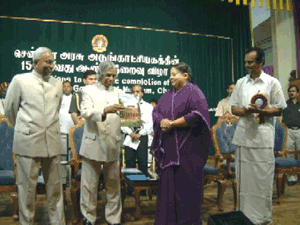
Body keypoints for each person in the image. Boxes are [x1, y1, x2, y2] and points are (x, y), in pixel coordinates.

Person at [4, 47, 65, 225]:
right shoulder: (20, 81)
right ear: (35, 62)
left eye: (52, 62)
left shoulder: (58, 83)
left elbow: (57, 108)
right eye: (47, 62)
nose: (51, 65)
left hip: (52, 143)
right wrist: (26, 128)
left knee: (55, 190)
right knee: (27, 190)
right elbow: (10, 110)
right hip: (28, 143)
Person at [229, 47, 286, 225]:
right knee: (244, 181)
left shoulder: (272, 83)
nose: (247, 65)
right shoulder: (240, 83)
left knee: (262, 180)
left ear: (260, 62)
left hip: (263, 139)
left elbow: (279, 108)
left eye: (250, 62)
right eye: (245, 62)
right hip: (244, 138)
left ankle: (262, 218)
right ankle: (243, 216)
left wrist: (262, 110)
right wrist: (245, 111)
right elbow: (233, 108)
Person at [151, 62, 211, 225]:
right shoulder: (167, 94)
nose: (170, 77)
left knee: (187, 191)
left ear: (185, 75)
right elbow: (155, 112)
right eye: (170, 74)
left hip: (189, 151)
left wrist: (173, 124)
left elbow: (198, 115)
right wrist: (162, 121)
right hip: (169, 153)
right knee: (168, 190)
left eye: (174, 74)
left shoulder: (194, 92)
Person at [80, 61, 124, 225]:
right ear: (100, 74)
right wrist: (104, 111)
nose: (111, 78)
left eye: (113, 76)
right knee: (89, 186)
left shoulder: (119, 92)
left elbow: (124, 116)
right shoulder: (87, 90)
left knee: (113, 185)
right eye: (108, 75)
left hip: (112, 143)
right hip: (93, 143)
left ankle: (114, 218)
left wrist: (132, 117)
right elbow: (85, 112)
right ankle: (88, 217)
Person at [121, 85, 153, 176]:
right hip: (129, 137)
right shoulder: (126, 106)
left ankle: (142, 189)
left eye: (137, 92)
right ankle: (130, 189)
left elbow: (150, 123)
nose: (135, 94)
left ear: (142, 93)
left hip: (142, 137)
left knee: (143, 164)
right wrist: (130, 133)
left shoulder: (148, 106)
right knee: (129, 164)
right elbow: (122, 122)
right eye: (133, 92)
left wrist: (141, 134)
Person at [282, 85, 300, 186]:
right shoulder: (284, 104)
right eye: (290, 91)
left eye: (293, 91)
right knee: (290, 154)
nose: (291, 93)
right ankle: (291, 178)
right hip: (289, 131)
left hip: (299, 131)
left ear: (297, 93)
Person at [59, 80, 74, 185]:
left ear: (72, 88)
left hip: (74, 131)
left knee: (74, 156)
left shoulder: (75, 98)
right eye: (64, 87)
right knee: (62, 156)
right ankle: (63, 180)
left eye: (69, 86)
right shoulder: (58, 99)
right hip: (61, 130)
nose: (67, 88)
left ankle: (74, 178)